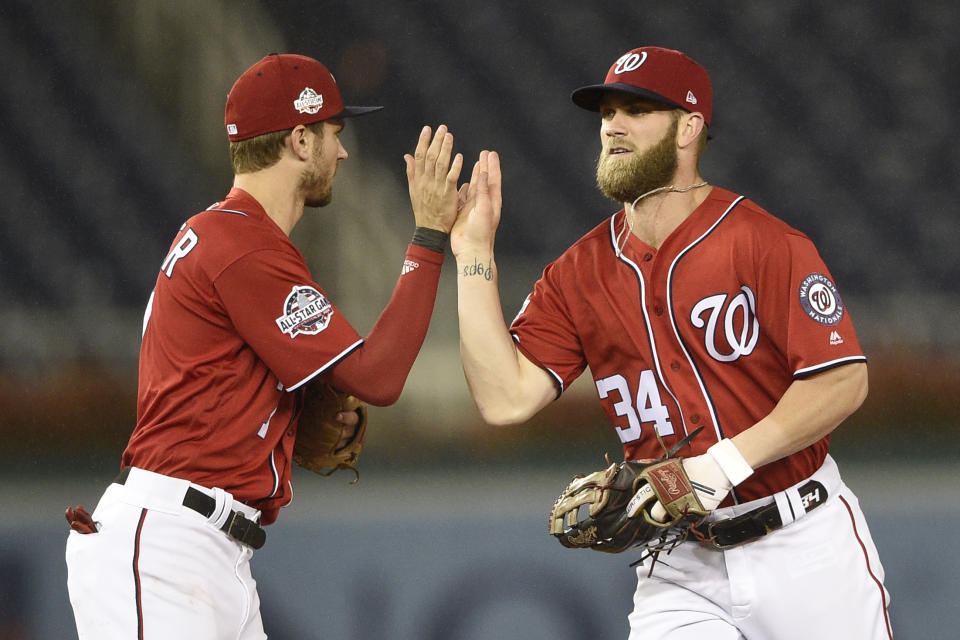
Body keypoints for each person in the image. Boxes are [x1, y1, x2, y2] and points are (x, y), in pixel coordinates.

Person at [452, 46, 892, 639]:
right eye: (607, 112)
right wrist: (473, 253)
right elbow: (505, 398)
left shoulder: (762, 242)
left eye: (637, 109)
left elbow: (843, 379)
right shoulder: (578, 271)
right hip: (680, 561)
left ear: (689, 128)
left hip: (803, 543)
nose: (613, 125)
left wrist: (723, 463)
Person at [65, 53, 466, 639]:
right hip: (167, 545)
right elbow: (378, 378)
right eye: (335, 132)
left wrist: (285, 419)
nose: (343, 151)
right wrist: (430, 235)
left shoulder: (224, 233)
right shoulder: (242, 245)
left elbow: (215, 386)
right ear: (301, 140)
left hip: (208, 547)